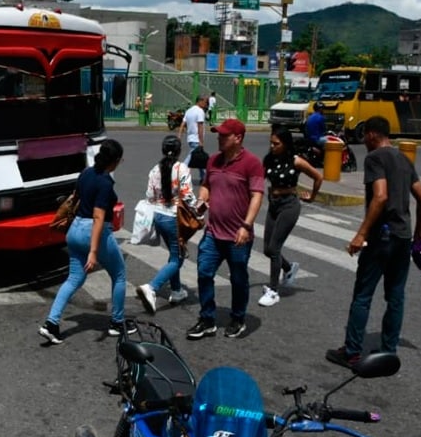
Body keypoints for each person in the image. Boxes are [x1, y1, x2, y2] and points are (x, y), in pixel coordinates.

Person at [326, 115, 421, 369]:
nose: (364, 142)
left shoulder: (374, 158)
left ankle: (351, 351)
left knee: (363, 295)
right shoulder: (404, 158)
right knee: (395, 296)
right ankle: (389, 350)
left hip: (381, 236)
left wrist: (361, 234)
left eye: (365, 137)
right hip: (403, 236)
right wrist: (419, 234)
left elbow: (380, 196)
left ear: (372, 134)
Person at [38, 139, 135, 344]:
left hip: (74, 231)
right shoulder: (105, 183)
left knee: (74, 279)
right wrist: (93, 251)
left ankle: (51, 323)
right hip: (93, 232)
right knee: (118, 274)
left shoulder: (86, 173)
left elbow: (75, 198)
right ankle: (117, 323)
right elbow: (99, 217)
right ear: (116, 160)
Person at [186, 119, 265, 340]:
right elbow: (206, 185)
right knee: (203, 273)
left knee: (238, 278)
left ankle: (238, 317)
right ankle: (207, 319)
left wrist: (246, 226)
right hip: (213, 232)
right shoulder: (213, 161)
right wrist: (202, 200)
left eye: (224, 135)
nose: (219, 138)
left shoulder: (251, 163)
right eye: (219, 134)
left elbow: (257, 195)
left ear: (238, 138)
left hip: (238, 234)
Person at [257, 128, 323, 307]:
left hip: (289, 205)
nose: (272, 146)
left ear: (285, 144)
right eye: (271, 142)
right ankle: (288, 269)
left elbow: (318, 177)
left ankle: (273, 290)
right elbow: (258, 179)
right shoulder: (269, 160)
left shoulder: (296, 161)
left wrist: (313, 196)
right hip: (274, 204)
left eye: (276, 143)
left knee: (274, 248)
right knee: (267, 249)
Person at [135, 135, 198, 315]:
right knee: (178, 258)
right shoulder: (181, 168)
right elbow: (187, 195)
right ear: (178, 151)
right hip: (174, 217)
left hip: (159, 216)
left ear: (163, 150)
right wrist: (197, 211)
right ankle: (152, 287)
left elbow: (149, 195)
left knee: (173, 252)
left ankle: (176, 291)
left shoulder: (155, 169)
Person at [178, 94, 209, 184]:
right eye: (205, 102)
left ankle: (203, 177)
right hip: (196, 139)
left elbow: (183, 124)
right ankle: (180, 173)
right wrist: (201, 140)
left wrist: (179, 136)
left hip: (190, 138)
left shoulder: (189, 111)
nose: (206, 104)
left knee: (199, 158)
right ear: (200, 101)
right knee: (190, 158)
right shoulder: (200, 112)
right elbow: (200, 126)